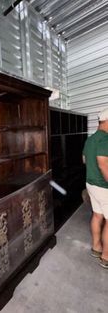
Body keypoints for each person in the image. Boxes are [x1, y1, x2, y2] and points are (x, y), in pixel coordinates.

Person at [82, 108, 108, 269]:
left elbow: (85, 160)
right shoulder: (106, 139)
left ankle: (96, 247)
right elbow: (103, 164)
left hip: (91, 184)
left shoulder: (90, 139)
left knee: (97, 216)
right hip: (104, 187)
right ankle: (106, 257)